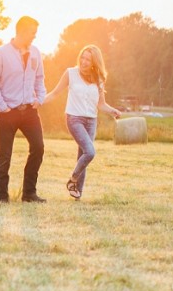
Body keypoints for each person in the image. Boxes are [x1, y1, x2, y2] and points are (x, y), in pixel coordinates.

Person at [43, 45, 122, 199]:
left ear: (94, 62)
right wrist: (39, 101)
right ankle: (72, 180)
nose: (84, 61)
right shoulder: (70, 73)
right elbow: (55, 93)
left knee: (83, 155)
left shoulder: (98, 79)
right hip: (74, 118)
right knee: (90, 152)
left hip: (91, 120)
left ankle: (77, 193)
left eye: (88, 59)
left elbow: (101, 104)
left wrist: (113, 111)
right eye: (83, 57)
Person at [0, 15, 47, 204]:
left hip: (29, 111)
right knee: (5, 154)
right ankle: (2, 196)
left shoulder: (36, 53)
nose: (34, 37)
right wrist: (2, 106)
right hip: (8, 113)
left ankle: (29, 194)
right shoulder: (0, 53)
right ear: (21, 32)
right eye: (32, 33)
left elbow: (39, 78)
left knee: (38, 148)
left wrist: (40, 98)